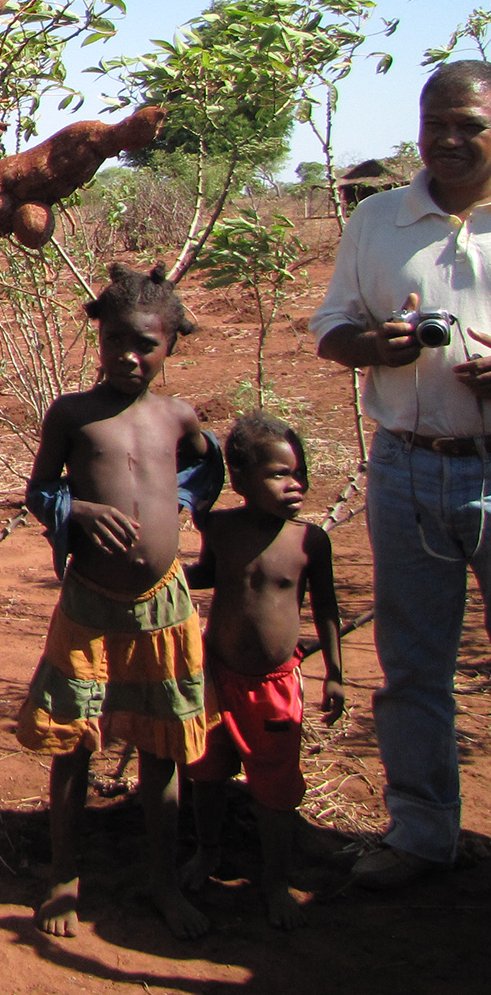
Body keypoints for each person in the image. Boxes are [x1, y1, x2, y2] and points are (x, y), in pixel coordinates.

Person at [313, 59, 491, 890]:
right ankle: (422, 833)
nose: (451, 140)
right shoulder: (381, 217)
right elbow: (332, 327)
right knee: (414, 662)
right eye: (438, 123)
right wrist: (370, 344)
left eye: (471, 125)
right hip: (404, 468)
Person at [17, 263, 221, 941]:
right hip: (92, 604)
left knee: (163, 750)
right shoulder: (72, 413)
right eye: (116, 343)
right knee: (74, 745)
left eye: (146, 345)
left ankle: (160, 879)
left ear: (171, 345)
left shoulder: (177, 415)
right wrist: (77, 510)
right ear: (98, 339)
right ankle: (63, 877)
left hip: (164, 610)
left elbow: (203, 466)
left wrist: (183, 504)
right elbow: (40, 487)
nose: (129, 357)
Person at [180, 412, 344, 929]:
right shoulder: (222, 527)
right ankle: (208, 851)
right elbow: (208, 575)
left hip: (273, 688)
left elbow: (327, 609)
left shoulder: (308, 541)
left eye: (299, 474)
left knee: (274, 786)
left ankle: (275, 881)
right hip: (216, 675)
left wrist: (335, 673)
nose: (294, 485)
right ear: (244, 480)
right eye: (279, 474)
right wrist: (161, 570)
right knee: (205, 769)